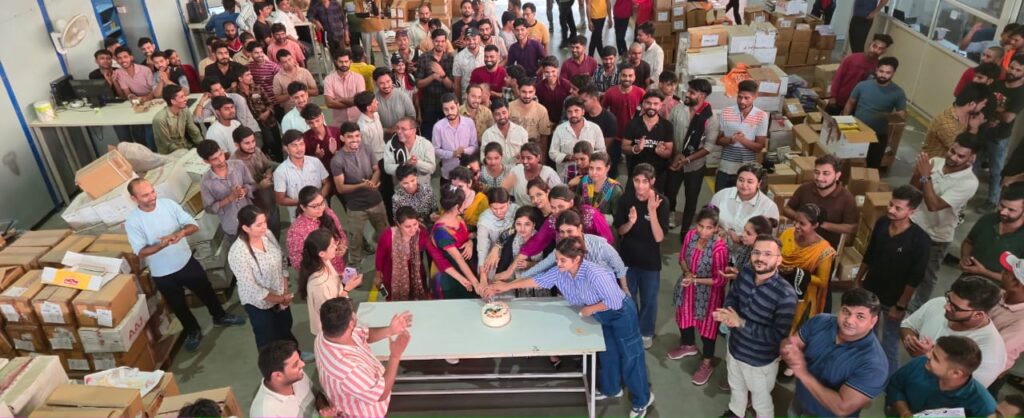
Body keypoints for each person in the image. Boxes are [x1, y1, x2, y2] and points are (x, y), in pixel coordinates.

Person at [485, 238, 655, 418]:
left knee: (631, 356)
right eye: (557, 259)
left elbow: (614, 301)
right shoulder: (561, 272)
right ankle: (612, 389)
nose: (558, 263)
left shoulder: (595, 273)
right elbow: (537, 281)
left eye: (562, 260)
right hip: (600, 314)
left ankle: (642, 399)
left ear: (576, 259)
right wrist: (506, 287)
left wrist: (591, 308)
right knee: (608, 352)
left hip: (620, 313)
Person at [125, 179, 246, 352]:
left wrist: (180, 233)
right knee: (178, 305)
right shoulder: (133, 222)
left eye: (152, 191)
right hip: (162, 273)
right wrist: (162, 244)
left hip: (185, 261)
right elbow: (140, 251)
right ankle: (193, 330)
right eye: (145, 195)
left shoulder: (168, 205)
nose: (152, 197)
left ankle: (220, 316)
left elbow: (192, 225)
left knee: (206, 291)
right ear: (134, 198)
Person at [713, 234, 797, 418]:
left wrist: (740, 323)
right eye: (756, 252)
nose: (760, 258)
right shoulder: (745, 273)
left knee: (761, 401)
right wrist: (728, 313)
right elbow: (733, 296)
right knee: (736, 388)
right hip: (735, 348)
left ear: (779, 259)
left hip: (760, 361)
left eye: (768, 254)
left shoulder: (786, 295)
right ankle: (736, 412)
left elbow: (777, 336)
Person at [855, 185, 930, 376]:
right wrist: (858, 280)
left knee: (889, 343)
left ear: (912, 211)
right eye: (890, 204)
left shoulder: (919, 240)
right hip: (870, 292)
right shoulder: (882, 223)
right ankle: (865, 368)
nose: (890, 210)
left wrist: (900, 305)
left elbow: (915, 277)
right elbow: (869, 254)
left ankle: (890, 379)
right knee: (865, 335)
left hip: (893, 300)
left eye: (898, 208)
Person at [781, 288, 887, 416]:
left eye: (860, 316)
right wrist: (788, 349)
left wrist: (803, 373)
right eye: (846, 311)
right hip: (799, 401)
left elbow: (842, 407)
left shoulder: (874, 364)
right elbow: (792, 343)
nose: (849, 321)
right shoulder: (820, 321)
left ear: (873, 321)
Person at [908, 134, 981, 312]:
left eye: (960, 156)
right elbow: (913, 191)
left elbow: (934, 205)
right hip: (915, 223)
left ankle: (917, 307)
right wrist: (918, 174)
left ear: (971, 158)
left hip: (937, 235)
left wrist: (926, 177)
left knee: (927, 275)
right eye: (952, 151)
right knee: (907, 264)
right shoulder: (935, 162)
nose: (953, 157)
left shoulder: (969, 183)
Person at [900, 275, 1007, 387]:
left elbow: (962, 390)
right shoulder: (938, 304)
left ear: (978, 314)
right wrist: (911, 341)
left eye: (955, 307)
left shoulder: (990, 352)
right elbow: (908, 325)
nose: (946, 306)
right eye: (948, 298)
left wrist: (926, 357)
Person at [315, 297, 411, 417]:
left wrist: (390, 330)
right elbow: (381, 393)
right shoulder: (348, 370)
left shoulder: (324, 335)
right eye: (353, 314)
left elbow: (364, 335)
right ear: (351, 323)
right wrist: (395, 355)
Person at [229, 205, 303, 352]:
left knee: (285, 328)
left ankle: (293, 354)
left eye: (265, 222)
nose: (264, 227)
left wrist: (285, 291)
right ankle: (274, 369)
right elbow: (254, 289)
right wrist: (281, 299)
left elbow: (281, 260)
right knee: (267, 338)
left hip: (280, 293)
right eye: (259, 225)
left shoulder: (267, 234)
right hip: (259, 304)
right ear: (246, 228)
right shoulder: (238, 253)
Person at [670, 206, 728, 384]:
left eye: (709, 228)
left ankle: (707, 363)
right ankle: (688, 345)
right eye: (701, 226)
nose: (703, 231)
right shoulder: (690, 236)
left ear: (716, 228)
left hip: (708, 295)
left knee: (707, 329)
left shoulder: (719, 249)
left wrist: (695, 281)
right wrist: (687, 273)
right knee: (684, 316)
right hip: (688, 287)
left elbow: (720, 280)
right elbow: (682, 258)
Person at [615, 164, 668, 349]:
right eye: (636, 180)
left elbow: (659, 237)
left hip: (650, 263)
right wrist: (630, 222)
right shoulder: (625, 199)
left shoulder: (662, 202)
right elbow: (620, 230)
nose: (640, 185)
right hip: (628, 260)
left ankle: (646, 332)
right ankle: (630, 328)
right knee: (628, 298)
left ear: (652, 182)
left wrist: (652, 211)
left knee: (649, 300)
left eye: (645, 181)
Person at [885, 335, 997, 417]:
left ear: (955, 373)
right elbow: (896, 386)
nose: (927, 355)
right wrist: (905, 413)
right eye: (932, 351)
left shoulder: (983, 407)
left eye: (935, 357)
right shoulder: (920, 363)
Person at [332, 122, 389, 267]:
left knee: (385, 234)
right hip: (355, 206)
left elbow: (376, 170)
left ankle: (390, 258)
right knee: (355, 240)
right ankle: (354, 266)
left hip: (376, 201)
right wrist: (362, 185)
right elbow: (340, 188)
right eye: (350, 137)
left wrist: (373, 182)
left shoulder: (368, 149)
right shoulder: (337, 160)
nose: (354, 140)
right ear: (342, 138)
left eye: (357, 136)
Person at [376, 206, 461, 300]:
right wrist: (378, 274)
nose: (413, 229)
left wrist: (460, 277)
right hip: (392, 275)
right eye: (407, 226)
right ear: (398, 224)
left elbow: (437, 256)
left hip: (416, 274)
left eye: (415, 224)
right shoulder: (387, 236)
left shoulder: (422, 234)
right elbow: (380, 256)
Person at [843, 56, 908, 168]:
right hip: (857, 131)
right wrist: (844, 123)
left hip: (878, 135)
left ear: (894, 73)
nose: (883, 75)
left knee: (872, 166)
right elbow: (850, 103)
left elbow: (902, 114)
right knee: (849, 164)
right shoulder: (862, 85)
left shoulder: (898, 92)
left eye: (888, 73)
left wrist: (899, 115)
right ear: (876, 69)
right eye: (881, 71)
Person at [781, 203, 837, 334]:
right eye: (795, 221)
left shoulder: (824, 250)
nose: (796, 226)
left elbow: (823, 281)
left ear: (815, 225)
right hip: (779, 288)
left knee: (793, 332)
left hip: (802, 299)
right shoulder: (788, 234)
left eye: (802, 223)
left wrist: (797, 273)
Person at [784, 155, 859, 249]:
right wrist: (802, 220)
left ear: (837, 175)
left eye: (826, 173)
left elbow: (852, 227)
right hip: (797, 243)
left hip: (826, 248)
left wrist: (823, 225)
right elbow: (787, 209)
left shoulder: (847, 198)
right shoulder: (804, 189)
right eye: (817, 172)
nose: (819, 178)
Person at [978, 56, 1024, 210]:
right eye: (1012, 67)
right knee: (973, 164)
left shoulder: (1020, 93)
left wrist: (992, 110)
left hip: (999, 137)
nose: (1013, 71)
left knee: (996, 171)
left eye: (1018, 70)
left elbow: (1008, 117)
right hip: (982, 130)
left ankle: (992, 201)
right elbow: (983, 103)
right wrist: (998, 110)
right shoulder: (997, 83)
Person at [298, 229, 361, 335]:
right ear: (322, 253)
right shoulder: (319, 284)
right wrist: (347, 289)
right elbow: (332, 312)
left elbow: (333, 279)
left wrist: (343, 277)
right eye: (332, 246)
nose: (336, 248)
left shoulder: (325, 262)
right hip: (333, 329)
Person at [962, 185, 1024, 282]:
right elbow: (969, 242)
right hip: (966, 280)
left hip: (997, 292)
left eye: (1011, 210)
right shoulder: (988, 219)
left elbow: (1019, 281)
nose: (1003, 212)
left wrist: (983, 272)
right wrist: (965, 257)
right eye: (1002, 206)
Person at [198, 140, 254, 244]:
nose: (221, 160)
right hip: (232, 226)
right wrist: (229, 198)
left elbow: (251, 184)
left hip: (251, 219)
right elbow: (209, 209)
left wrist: (244, 190)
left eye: (221, 154)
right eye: (215, 159)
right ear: (206, 161)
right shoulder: (205, 182)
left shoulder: (238, 165)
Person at [715, 80, 767, 191]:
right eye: (739, 97)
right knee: (719, 202)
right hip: (725, 168)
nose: (742, 101)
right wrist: (730, 140)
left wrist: (742, 140)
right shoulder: (726, 112)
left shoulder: (761, 116)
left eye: (746, 98)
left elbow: (759, 147)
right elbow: (718, 140)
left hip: (746, 172)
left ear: (755, 97)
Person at [709, 163, 780, 244]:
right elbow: (707, 218)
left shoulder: (769, 207)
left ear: (759, 183)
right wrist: (719, 230)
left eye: (750, 182)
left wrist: (742, 240)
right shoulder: (721, 195)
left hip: (749, 252)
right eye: (741, 180)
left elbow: (768, 240)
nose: (744, 185)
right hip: (717, 245)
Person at [432, 185, 482, 299]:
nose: (466, 204)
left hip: (469, 267)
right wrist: (475, 282)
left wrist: (470, 242)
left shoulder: (458, 217)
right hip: (454, 275)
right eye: (464, 202)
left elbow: (467, 237)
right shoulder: (441, 231)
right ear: (456, 206)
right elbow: (459, 259)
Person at [286, 186, 349, 274]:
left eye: (322, 203)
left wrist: (342, 246)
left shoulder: (328, 212)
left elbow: (340, 233)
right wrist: (324, 258)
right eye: (315, 206)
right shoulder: (296, 231)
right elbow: (297, 262)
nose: (320, 208)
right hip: (319, 274)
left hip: (338, 266)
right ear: (303, 207)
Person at [232, 127, 280, 239]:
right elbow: (240, 192)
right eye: (247, 143)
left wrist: (269, 174)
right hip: (256, 211)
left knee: (276, 234)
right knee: (263, 239)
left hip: (271, 202)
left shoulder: (256, 151)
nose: (252, 145)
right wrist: (259, 186)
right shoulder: (234, 165)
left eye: (253, 141)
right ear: (237, 145)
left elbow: (267, 166)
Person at [829, 33, 893, 114]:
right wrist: (833, 96)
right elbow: (838, 77)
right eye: (874, 46)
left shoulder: (879, 68)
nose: (876, 50)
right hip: (838, 100)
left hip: (856, 106)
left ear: (884, 51)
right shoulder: (851, 59)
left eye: (880, 49)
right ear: (870, 44)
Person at [251, 340, 317, 417]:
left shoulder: (297, 375)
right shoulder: (266, 413)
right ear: (278, 375)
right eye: (295, 365)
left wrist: (324, 406)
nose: (302, 364)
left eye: (299, 359)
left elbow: (317, 395)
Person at [274, 130, 331, 219]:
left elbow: (327, 183)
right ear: (286, 148)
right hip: (299, 215)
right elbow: (280, 199)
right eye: (294, 145)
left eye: (301, 144)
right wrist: (305, 203)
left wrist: (318, 201)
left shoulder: (315, 162)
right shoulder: (280, 172)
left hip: (322, 211)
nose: (299, 149)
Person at [922, 83, 989, 159]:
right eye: (983, 103)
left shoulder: (968, 115)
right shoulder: (947, 123)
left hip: (949, 165)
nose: (984, 106)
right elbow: (962, 150)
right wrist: (974, 128)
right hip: (932, 167)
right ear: (972, 104)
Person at [623, 90, 674, 184]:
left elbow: (669, 152)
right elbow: (624, 147)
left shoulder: (667, 126)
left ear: (661, 105)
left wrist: (661, 152)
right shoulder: (632, 124)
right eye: (648, 103)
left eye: (655, 104)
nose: (652, 107)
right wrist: (635, 148)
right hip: (635, 173)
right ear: (643, 104)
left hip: (658, 175)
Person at [416, 29, 457, 140]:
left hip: (447, 103)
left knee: (449, 135)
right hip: (428, 103)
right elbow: (418, 84)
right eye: (437, 41)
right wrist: (432, 77)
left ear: (446, 42)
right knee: (427, 136)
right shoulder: (424, 58)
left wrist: (442, 74)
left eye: (442, 41)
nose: (440, 44)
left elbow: (452, 87)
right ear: (432, 41)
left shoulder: (451, 59)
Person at [550, 97, 606, 175]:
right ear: (566, 113)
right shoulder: (560, 129)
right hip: (566, 174)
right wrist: (568, 157)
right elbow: (552, 153)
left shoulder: (594, 128)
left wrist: (586, 157)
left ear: (583, 112)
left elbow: (602, 151)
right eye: (569, 112)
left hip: (590, 174)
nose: (573, 115)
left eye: (576, 111)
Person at [993, 251, 1024, 390]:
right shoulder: (999, 294)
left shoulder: (1021, 323)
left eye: (1007, 272)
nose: (1002, 272)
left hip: (986, 373)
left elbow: (994, 352)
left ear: (1017, 284)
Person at [433, 93, 479, 183]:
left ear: (458, 106)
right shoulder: (438, 127)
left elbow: (475, 146)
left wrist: (464, 151)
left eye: (452, 108)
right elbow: (436, 150)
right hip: (448, 174)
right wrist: (452, 154)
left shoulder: (469, 123)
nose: (449, 112)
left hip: (467, 172)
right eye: (446, 109)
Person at [602, 66, 644, 164]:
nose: (627, 78)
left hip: (633, 138)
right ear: (619, 76)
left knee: (633, 167)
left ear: (634, 77)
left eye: (630, 76)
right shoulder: (610, 92)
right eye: (624, 75)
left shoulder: (641, 93)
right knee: (612, 166)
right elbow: (602, 111)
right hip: (614, 136)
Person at [194, 77, 262, 136]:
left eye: (221, 88)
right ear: (209, 94)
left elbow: (242, 123)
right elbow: (197, 119)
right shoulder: (211, 105)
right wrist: (202, 100)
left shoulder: (237, 98)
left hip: (251, 131)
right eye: (216, 91)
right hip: (231, 135)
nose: (221, 92)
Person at [476, 188, 520, 276]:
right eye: (494, 208)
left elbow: (518, 228)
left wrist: (497, 247)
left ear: (508, 202)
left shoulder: (517, 210)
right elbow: (482, 247)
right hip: (493, 256)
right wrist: (482, 273)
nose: (499, 212)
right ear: (489, 206)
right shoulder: (484, 219)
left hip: (517, 252)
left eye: (502, 207)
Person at [384, 117, 436, 185]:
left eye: (403, 129)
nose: (399, 131)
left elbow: (432, 168)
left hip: (422, 188)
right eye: (397, 128)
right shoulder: (391, 144)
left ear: (413, 130)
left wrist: (416, 163)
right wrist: (405, 165)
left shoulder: (426, 144)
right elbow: (387, 168)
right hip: (401, 189)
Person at [153, 85, 203, 154]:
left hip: (186, 146)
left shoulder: (185, 110)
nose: (186, 99)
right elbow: (168, 145)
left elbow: (194, 131)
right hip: (170, 154)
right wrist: (186, 153)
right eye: (182, 97)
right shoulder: (160, 119)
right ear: (173, 101)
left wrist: (202, 145)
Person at [482, 99, 529, 170]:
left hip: (518, 171)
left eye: (504, 113)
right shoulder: (488, 134)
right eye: (497, 114)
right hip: (496, 173)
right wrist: (493, 162)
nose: (501, 117)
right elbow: (483, 157)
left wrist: (522, 158)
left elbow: (527, 154)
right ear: (492, 115)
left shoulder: (521, 132)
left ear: (508, 112)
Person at [324, 48, 366, 125]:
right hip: (339, 124)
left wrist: (339, 99)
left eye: (346, 61)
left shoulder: (358, 78)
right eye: (341, 62)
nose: (344, 64)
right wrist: (352, 102)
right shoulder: (328, 79)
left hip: (358, 122)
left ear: (350, 62)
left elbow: (360, 101)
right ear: (336, 62)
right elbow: (329, 103)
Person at [508, 78, 553, 146]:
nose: (527, 96)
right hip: (513, 146)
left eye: (530, 92)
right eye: (524, 92)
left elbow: (544, 137)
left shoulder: (541, 110)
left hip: (534, 148)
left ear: (534, 92)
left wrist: (542, 156)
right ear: (518, 90)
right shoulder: (509, 107)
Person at [300, 104, 341, 170]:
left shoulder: (337, 132)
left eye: (317, 121)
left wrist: (335, 152)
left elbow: (349, 154)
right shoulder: (304, 138)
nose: (315, 125)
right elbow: (303, 162)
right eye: (311, 123)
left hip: (339, 171)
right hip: (317, 175)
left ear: (322, 117)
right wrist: (316, 157)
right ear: (306, 122)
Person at [453, 27, 484, 100]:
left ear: (479, 39)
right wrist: (458, 102)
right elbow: (457, 84)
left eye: (474, 39)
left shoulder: (486, 53)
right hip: (467, 98)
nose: (471, 42)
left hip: (484, 97)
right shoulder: (459, 57)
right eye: (468, 39)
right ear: (465, 40)